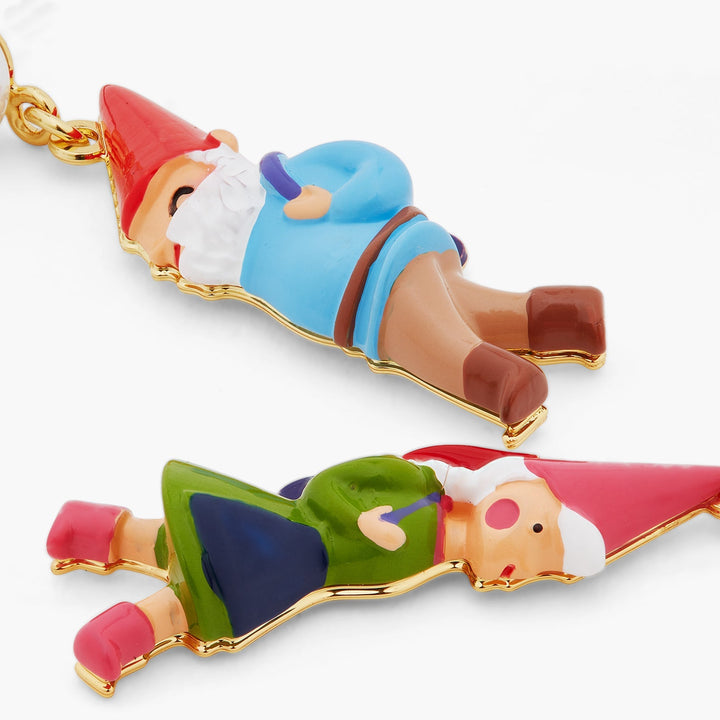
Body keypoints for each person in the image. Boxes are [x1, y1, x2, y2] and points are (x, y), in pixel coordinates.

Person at [100, 86, 605, 433]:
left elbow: (383, 169)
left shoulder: (297, 172)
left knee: (442, 344)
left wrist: (336, 204)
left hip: (382, 273)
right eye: (167, 244)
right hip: (365, 304)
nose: (184, 230)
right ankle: (572, 316)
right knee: (481, 312)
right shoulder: (242, 267)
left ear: (223, 153)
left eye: (180, 198)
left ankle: (505, 385)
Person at [47, 444, 720, 694]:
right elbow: (336, 479)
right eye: (539, 533)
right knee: (207, 587)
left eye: (541, 567)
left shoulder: (439, 556)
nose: (520, 567)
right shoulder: (419, 481)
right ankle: (120, 625)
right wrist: (359, 516)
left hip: (305, 571)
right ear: (506, 491)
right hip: (298, 538)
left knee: (185, 550)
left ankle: (93, 532)